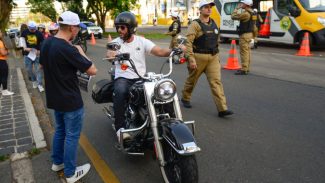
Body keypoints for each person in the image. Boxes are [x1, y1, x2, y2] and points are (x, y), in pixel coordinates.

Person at [106, 11, 183, 142]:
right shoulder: (116, 42)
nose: (119, 30)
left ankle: (174, 123)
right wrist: (112, 55)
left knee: (163, 90)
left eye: (122, 27)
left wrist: (174, 50)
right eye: (117, 27)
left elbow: (158, 51)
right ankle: (120, 129)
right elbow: (110, 54)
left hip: (141, 78)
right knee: (119, 91)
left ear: (131, 28)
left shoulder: (141, 41)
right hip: (123, 78)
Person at [39, 11, 97, 183]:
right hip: (70, 100)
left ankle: (57, 163)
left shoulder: (47, 42)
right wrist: (80, 51)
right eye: (78, 28)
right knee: (72, 136)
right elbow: (92, 70)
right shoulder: (68, 48)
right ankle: (70, 173)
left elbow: (42, 66)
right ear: (72, 27)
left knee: (60, 131)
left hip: (55, 98)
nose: (78, 31)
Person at [181, 0, 233, 118]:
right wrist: (191, 58)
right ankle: (185, 97)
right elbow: (188, 43)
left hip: (213, 57)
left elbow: (215, 41)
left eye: (210, 7)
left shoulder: (214, 22)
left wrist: (217, 57)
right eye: (206, 7)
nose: (209, 9)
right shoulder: (195, 24)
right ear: (200, 10)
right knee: (192, 80)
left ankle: (222, 109)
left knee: (216, 82)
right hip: (198, 57)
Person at [231, 0, 254, 75]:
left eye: (243, 3)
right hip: (249, 34)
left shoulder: (246, 14)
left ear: (246, 4)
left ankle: (244, 69)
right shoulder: (252, 12)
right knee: (247, 51)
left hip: (244, 35)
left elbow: (233, 16)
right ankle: (247, 68)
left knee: (244, 52)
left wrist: (236, 8)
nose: (241, 4)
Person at [21, 21, 45, 92]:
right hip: (27, 54)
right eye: (31, 29)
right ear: (28, 28)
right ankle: (34, 80)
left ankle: (40, 84)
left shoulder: (39, 33)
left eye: (34, 29)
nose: (33, 30)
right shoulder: (24, 32)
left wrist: (40, 51)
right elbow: (22, 42)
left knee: (38, 70)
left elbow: (42, 43)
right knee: (29, 69)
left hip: (37, 54)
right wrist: (25, 48)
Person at [0, 30, 14, 96]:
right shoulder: (0, 43)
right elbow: (3, 53)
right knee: (4, 76)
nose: (1, 33)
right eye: (0, 32)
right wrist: (7, 52)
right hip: (1, 61)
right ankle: (4, 90)